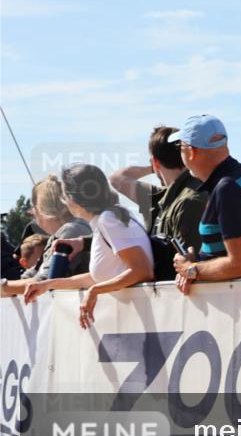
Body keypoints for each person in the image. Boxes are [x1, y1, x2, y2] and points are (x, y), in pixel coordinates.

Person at [22, 164, 153, 328]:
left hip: (135, 320)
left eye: (64, 195)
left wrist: (96, 290)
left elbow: (142, 270)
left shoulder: (108, 220)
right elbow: (98, 276)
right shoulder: (110, 217)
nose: (64, 201)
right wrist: (48, 284)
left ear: (74, 198)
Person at [169, 114, 241, 295]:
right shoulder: (238, 178)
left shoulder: (227, 189)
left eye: (180, 147)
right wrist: (196, 266)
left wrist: (191, 269)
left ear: (191, 151)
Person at [109, 125, 209, 251]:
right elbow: (116, 179)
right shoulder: (163, 196)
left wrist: (155, 165)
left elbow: (191, 261)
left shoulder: (190, 200)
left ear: (155, 161)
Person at [1, 176, 91, 297]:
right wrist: (8, 287)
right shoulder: (61, 233)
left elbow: (45, 281)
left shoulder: (72, 230)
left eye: (33, 209)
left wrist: (5, 287)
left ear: (41, 209)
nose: (33, 214)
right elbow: (33, 274)